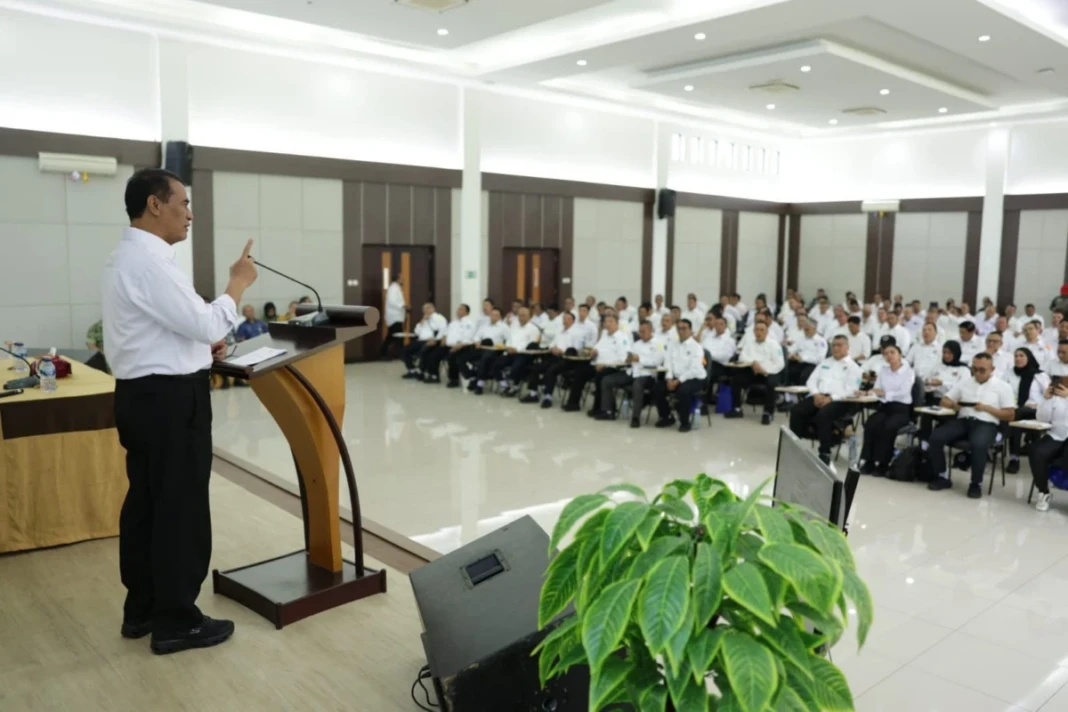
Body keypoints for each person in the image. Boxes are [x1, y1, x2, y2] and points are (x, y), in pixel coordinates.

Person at [102, 168, 257, 654]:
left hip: (143, 396)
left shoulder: (126, 258)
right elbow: (204, 319)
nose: (189, 214)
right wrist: (237, 284)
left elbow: (170, 331)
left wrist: (197, 349)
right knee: (180, 508)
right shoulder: (149, 263)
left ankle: (143, 607)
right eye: (183, 203)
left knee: (148, 504)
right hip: (170, 403)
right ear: (154, 204)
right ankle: (177, 620)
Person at [927, 353, 1016, 498]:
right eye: (975, 369)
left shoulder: (1003, 386)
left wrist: (987, 408)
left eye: (982, 370)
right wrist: (953, 404)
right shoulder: (965, 382)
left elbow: (1010, 415)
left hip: (987, 423)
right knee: (936, 437)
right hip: (964, 420)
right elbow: (944, 401)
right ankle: (942, 476)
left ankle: (976, 484)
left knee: (978, 444)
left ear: (992, 369)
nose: (978, 373)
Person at [788, 335, 863, 464]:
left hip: (840, 400)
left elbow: (851, 390)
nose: (835, 348)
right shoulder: (825, 362)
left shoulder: (853, 367)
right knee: (796, 410)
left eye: (839, 345)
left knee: (823, 415)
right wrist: (816, 394)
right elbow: (811, 381)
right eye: (833, 345)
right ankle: (795, 446)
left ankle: (825, 451)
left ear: (847, 347)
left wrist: (830, 398)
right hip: (818, 395)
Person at [857, 344, 915, 477]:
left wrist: (884, 393)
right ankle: (869, 461)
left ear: (899, 355)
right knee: (871, 423)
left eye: (892, 352)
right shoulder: (883, 370)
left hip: (901, 408)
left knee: (888, 426)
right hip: (885, 406)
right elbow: (877, 389)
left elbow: (903, 392)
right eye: (886, 353)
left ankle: (883, 463)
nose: (889, 356)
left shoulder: (908, 372)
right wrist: (868, 393)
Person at [599, 320, 664, 426]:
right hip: (632, 371)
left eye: (644, 331)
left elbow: (658, 361)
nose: (641, 334)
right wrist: (628, 359)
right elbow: (629, 356)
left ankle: (635, 417)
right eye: (640, 331)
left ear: (651, 330)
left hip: (647, 374)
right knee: (607, 380)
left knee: (637, 385)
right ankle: (609, 411)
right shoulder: (637, 344)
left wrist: (639, 359)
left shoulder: (659, 344)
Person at [564, 314, 630, 413]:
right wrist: (593, 352)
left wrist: (605, 364)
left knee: (600, 376)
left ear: (617, 323)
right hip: (597, 364)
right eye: (606, 322)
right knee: (580, 371)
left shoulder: (622, 337)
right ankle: (573, 403)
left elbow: (623, 359)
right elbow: (597, 349)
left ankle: (598, 408)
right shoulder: (605, 335)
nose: (608, 324)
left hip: (613, 367)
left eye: (610, 321)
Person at [521, 310, 587, 407]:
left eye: (568, 319)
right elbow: (552, 343)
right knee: (536, 368)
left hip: (568, 359)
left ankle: (548, 397)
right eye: (564, 318)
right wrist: (553, 348)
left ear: (573, 321)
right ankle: (533, 394)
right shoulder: (560, 330)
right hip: (554, 356)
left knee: (551, 371)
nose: (565, 321)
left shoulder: (577, 333)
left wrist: (562, 351)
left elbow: (577, 349)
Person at [652, 319, 707, 432]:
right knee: (657, 388)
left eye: (684, 328)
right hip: (675, 378)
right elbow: (668, 363)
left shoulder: (697, 347)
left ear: (691, 330)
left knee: (683, 390)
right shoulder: (672, 344)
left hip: (694, 378)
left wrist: (678, 381)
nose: (681, 331)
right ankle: (667, 416)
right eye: (679, 328)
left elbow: (694, 368)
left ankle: (685, 422)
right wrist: (669, 379)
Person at [726, 321, 785, 425]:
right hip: (752, 370)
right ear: (753, 331)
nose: (759, 332)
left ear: (767, 332)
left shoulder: (774, 344)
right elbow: (742, 357)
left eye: (762, 330)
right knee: (736, 379)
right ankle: (737, 408)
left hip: (769, 372)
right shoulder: (749, 343)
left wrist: (764, 370)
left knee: (772, 384)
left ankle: (768, 413)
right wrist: (753, 363)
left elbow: (780, 364)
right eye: (757, 330)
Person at [1003, 348, 1047, 474]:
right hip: (1015, 409)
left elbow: (1049, 395)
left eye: (1021, 355)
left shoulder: (1039, 375)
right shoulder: (1009, 373)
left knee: (1015, 417)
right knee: (1015, 419)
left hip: (1035, 410)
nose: (1018, 358)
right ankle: (1014, 458)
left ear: (1029, 357)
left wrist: (1039, 405)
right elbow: (1002, 390)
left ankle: (1017, 457)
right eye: (1016, 356)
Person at [1029, 379, 1068, 512]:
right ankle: (1043, 492)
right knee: (1036, 451)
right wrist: (1046, 399)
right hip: (1056, 435)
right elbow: (1042, 418)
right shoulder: (1054, 398)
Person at [419, 304, 474, 385]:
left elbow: (468, 336)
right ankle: (434, 376)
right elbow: (446, 331)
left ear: (466, 312)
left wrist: (459, 345)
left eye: (461, 309)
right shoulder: (454, 322)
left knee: (453, 357)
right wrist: (444, 337)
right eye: (458, 309)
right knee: (433, 354)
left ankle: (454, 380)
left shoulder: (469, 323)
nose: (458, 311)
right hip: (448, 345)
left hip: (461, 346)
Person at [461, 307, 510, 389]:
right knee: (462, 358)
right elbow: (477, 336)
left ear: (500, 317)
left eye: (496, 315)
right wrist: (477, 341)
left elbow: (509, 340)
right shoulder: (484, 326)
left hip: (495, 350)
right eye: (492, 315)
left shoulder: (504, 327)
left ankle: (480, 383)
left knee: (485, 358)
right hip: (482, 348)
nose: (493, 317)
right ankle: (472, 377)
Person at [401, 303, 447, 380]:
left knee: (424, 351)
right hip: (420, 340)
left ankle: (421, 371)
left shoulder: (439, 318)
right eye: (424, 309)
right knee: (404, 350)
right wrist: (422, 321)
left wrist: (435, 339)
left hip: (432, 341)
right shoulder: (424, 319)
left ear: (433, 309)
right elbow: (417, 332)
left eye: (428, 308)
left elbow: (442, 330)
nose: (426, 310)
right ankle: (412, 370)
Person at [785, 320, 827, 386]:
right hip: (799, 362)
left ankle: (803, 394)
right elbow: (792, 349)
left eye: (807, 330)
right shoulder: (801, 338)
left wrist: (803, 358)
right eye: (804, 329)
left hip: (812, 364)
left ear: (814, 329)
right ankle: (789, 393)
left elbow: (820, 359)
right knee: (787, 370)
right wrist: (791, 355)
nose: (805, 332)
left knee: (804, 375)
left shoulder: (821, 341)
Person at [381, 274, 407, 359]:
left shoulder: (396, 288)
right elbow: (392, 301)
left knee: (392, 336)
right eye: (401, 278)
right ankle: (401, 354)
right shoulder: (393, 288)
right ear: (397, 279)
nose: (403, 280)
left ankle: (384, 353)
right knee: (398, 337)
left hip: (396, 317)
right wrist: (402, 306)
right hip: (395, 317)